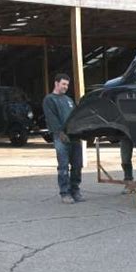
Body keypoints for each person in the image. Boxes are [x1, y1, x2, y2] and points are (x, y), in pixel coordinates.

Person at [43, 73, 84, 204]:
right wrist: (60, 133)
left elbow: (75, 117)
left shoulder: (68, 100)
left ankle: (75, 190)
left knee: (77, 165)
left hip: (74, 137)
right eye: (63, 84)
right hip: (61, 138)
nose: (66, 87)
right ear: (56, 83)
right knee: (63, 167)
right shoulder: (49, 100)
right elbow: (51, 119)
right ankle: (65, 193)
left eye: (67, 84)